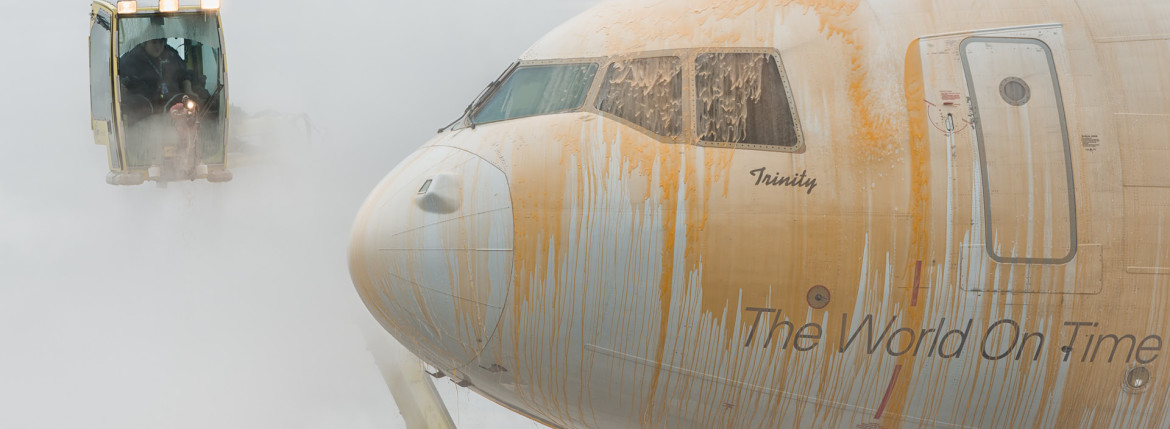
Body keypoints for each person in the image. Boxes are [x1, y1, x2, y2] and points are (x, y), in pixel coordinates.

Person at [118, 38, 201, 119]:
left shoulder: (171, 54)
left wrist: (188, 90)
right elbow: (119, 80)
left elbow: (184, 74)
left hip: (172, 105)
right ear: (144, 42)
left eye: (161, 42)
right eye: (154, 42)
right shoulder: (131, 58)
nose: (158, 46)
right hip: (143, 111)